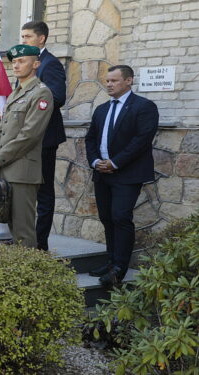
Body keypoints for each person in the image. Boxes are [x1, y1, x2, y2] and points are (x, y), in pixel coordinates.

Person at [85, 65, 159, 287]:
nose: (109, 84)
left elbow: (142, 140)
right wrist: (97, 161)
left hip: (127, 174)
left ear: (128, 81)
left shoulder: (144, 107)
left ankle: (119, 268)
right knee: (107, 218)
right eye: (107, 81)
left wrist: (115, 163)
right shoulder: (101, 109)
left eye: (114, 81)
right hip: (102, 173)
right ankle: (110, 261)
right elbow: (90, 139)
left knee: (120, 217)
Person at [0, 44, 53, 248]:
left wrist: (0, 157)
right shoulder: (15, 94)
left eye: (22, 61)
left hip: (22, 171)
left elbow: (29, 134)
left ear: (36, 64)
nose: (16, 65)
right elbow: (3, 129)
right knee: (11, 227)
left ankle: (29, 276)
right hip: (4, 167)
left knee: (23, 230)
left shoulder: (41, 93)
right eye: (13, 62)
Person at [20, 21, 68, 251]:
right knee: (25, 191)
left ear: (41, 39)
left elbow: (57, 97)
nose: (23, 41)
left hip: (44, 138)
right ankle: (24, 238)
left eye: (28, 37)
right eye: (22, 37)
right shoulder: (27, 64)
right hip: (25, 137)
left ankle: (40, 244)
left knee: (44, 193)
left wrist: (30, 104)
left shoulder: (51, 64)